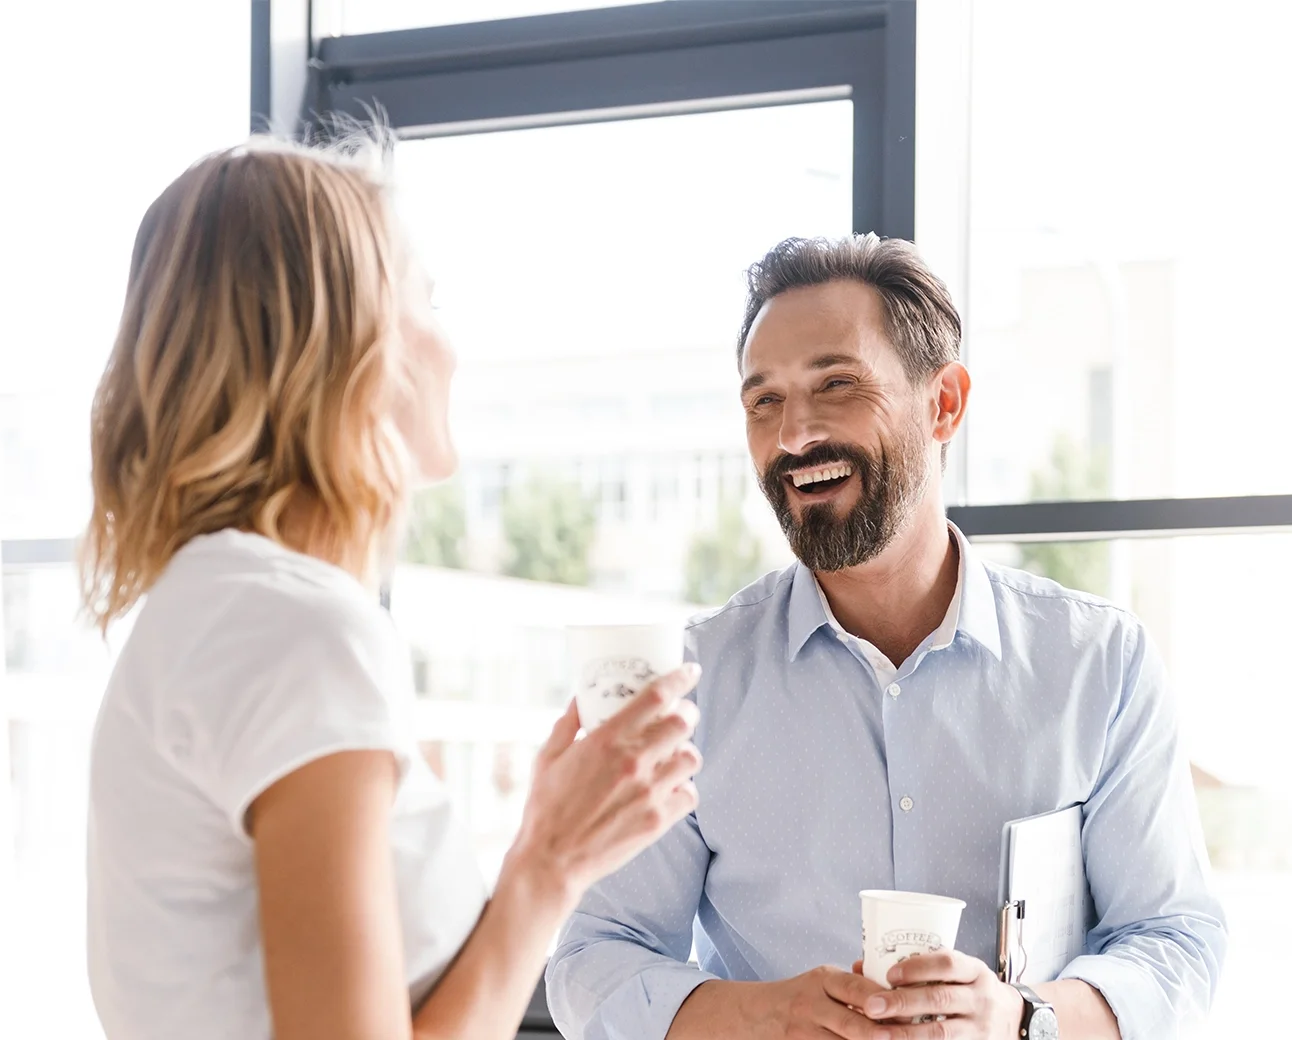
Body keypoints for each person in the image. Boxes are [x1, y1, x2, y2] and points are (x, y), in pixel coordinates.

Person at [81, 134, 704, 1040]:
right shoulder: (296, 629)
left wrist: (551, 839)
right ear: (347, 346)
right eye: (428, 299)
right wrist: (549, 863)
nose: (451, 345)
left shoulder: (217, 606)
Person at [546, 235, 1227, 1040]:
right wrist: (767, 1015)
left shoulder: (1099, 664)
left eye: (836, 384)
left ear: (945, 404)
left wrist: (1021, 1018)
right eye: (764, 401)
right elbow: (592, 960)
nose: (794, 436)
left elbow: (1175, 943)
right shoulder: (693, 683)